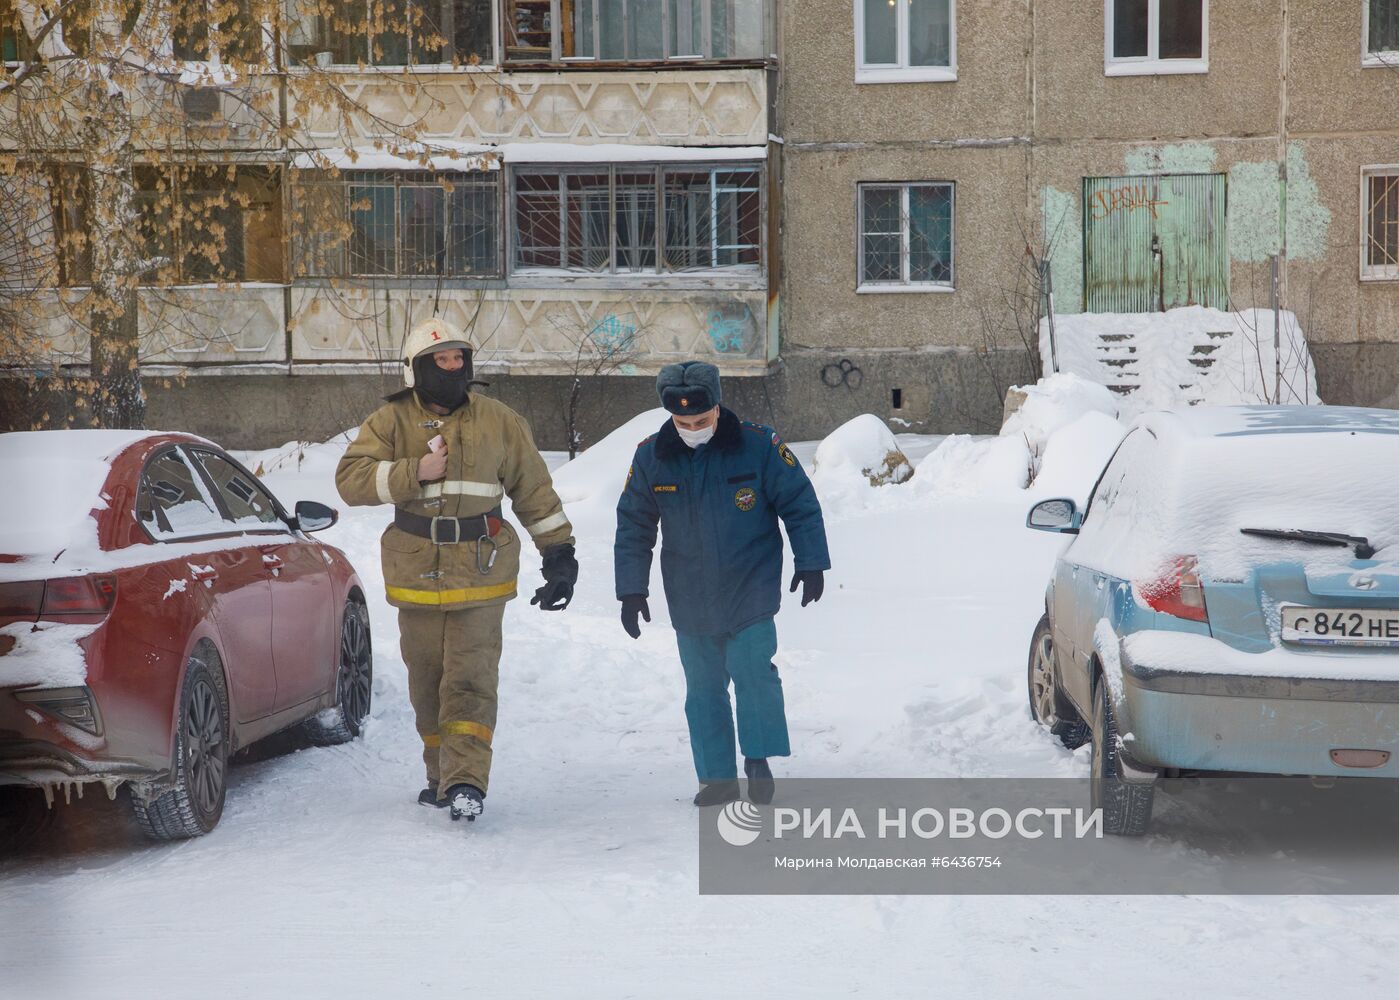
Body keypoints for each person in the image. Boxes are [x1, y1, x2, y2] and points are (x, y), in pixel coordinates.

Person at [335, 317, 577, 824]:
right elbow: (350, 480)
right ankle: (440, 776)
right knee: (427, 684)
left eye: (458, 358)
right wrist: (414, 472)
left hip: (482, 573)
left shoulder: (500, 420)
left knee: (470, 679)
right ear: (416, 368)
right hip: (415, 575)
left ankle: (467, 780)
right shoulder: (390, 421)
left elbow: (534, 490)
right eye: (440, 360)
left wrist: (559, 554)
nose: (452, 367)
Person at [614, 361, 830, 806]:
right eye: (683, 422)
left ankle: (758, 758)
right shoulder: (652, 455)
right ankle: (717, 779)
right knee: (703, 689)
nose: (693, 429)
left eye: (701, 420)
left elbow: (799, 503)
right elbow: (634, 524)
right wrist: (632, 589)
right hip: (689, 591)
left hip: (751, 582)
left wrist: (811, 562)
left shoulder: (759, 445)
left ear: (717, 407)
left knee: (753, 672)